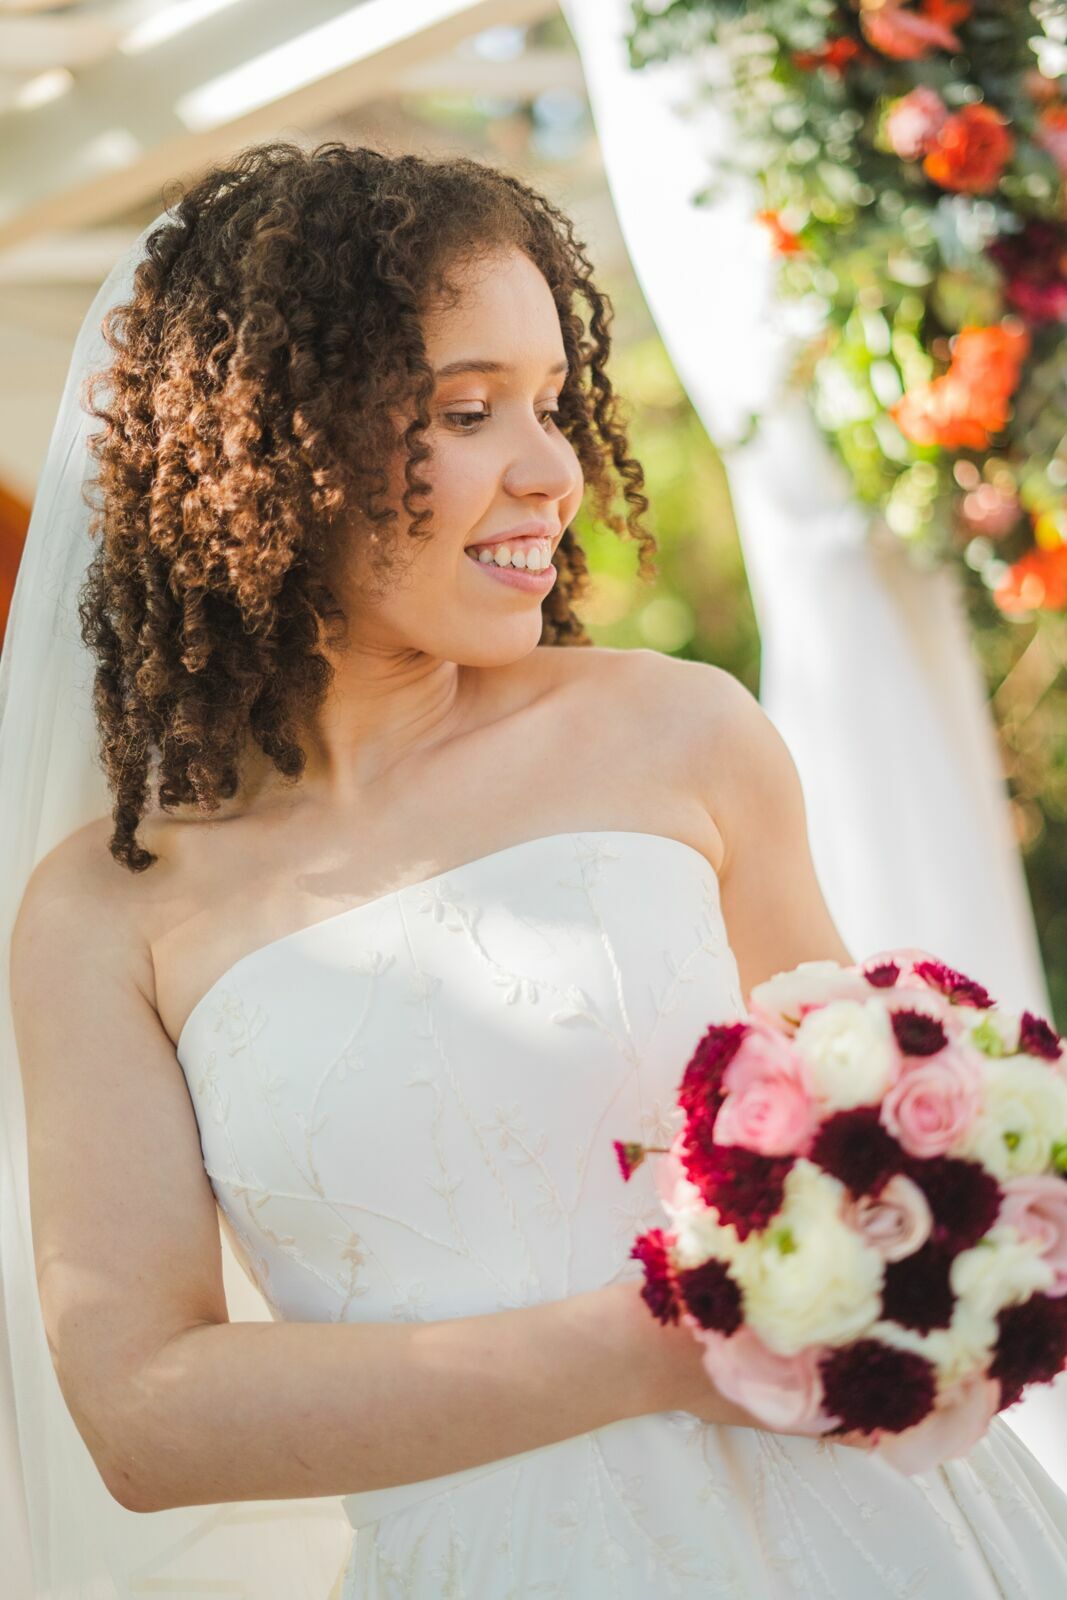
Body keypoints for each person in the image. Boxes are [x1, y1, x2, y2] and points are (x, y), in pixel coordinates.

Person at [3, 140, 1066, 1599]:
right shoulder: (102, 914)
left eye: (554, 405)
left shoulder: (683, 734)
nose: (553, 469)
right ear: (278, 437)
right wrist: (659, 1348)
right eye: (467, 409)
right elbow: (141, 1414)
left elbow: (874, 1132)